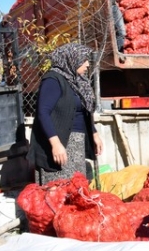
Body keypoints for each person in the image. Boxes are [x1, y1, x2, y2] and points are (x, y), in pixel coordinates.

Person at [26, 43, 103, 185]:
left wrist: (94, 133)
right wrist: (56, 144)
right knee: (58, 191)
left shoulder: (78, 81)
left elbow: (84, 110)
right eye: (83, 60)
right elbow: (43, 112)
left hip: (76, 143)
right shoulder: (53, 79)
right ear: (71, 59)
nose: (87, 64)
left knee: (74, 190)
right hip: (60, 143)